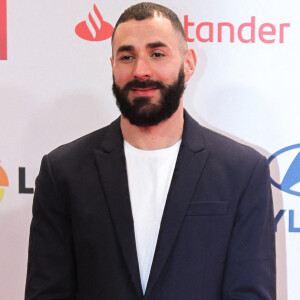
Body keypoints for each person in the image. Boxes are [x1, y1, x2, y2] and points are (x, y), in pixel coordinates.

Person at [25, 2, 276, 299]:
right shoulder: (63, 171)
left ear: (188, 63)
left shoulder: (243, 171)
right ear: (113, 66)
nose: (141, 70)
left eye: (157, 54)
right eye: (127, 56)